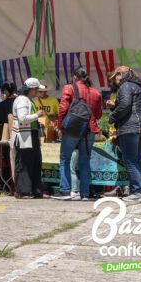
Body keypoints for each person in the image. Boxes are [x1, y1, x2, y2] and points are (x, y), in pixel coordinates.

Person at [53, 68, 103, 201]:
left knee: (65, 159)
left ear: (75, 77)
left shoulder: (69, 88)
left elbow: (63, 108)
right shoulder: (96, 93)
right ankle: (85, 194)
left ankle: (66, 191)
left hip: (73, 129)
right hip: (89, 130)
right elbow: (98, 115)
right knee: (84, 161)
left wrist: (60, 126)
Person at [109, 69, 141, 202]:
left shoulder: (125, 86)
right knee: (136, 160)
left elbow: (125, 105)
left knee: (130, 160)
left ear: (122, 75)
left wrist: (112, 116)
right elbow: (132, 105)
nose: (115, 79)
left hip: (130, 127)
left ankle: (138, 191)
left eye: (116, 75)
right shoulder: (139, 88)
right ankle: (138, 190)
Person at [10, 78, 45, 199]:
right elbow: (22, 118)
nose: (37, 92)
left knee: (35, 162)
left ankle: (35, 190)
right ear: (32, 89)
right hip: (24, 136)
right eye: (37, 90)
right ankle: (22, 190)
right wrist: (37, 115)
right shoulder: (22, 100)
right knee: (24, 163)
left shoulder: (27, 100)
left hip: (31, 134)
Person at [104, 66, 131, 197]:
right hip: (114, 130)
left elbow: (125, 109)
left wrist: (114, 106)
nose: (114, 80)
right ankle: (120, 186)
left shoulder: (128, 90)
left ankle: (127, 186)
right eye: (114, 77)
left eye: (116, 76)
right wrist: (111, 107)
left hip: (124, 130)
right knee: (117, 161)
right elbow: (116, 112)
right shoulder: (114, 93)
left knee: (126, 160)